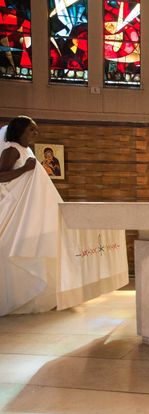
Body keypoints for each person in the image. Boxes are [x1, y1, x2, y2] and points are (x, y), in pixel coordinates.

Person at [0, 116, 63, 316]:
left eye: (35, 130)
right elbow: (1, 176)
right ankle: (17, 299)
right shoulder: (11, 150)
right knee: (13, 248)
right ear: (19, 131)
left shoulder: (25, 150)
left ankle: (34, 298)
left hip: (26, 208)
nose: (36, 133)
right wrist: (26, 169)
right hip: (14, 208)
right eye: (31, 130)